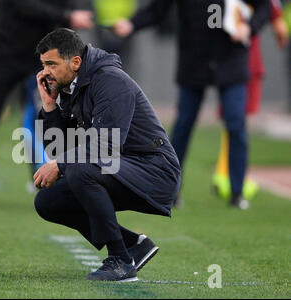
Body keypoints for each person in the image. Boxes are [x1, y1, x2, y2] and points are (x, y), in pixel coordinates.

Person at [33, 28, 181, 282]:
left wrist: (60, 163)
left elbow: (105, 147)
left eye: (51, 64)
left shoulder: (111, 81)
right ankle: (133, 245)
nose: (45, 72)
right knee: (48, 201)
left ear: (76, 62)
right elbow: (60, 149)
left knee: (80, 169)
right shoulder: (74, 86)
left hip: (155, 171)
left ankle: (121, 263)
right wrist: (49, 107)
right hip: (124, 166)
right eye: (43, 65)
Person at [113, 0, 271, 209]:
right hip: (194, 61)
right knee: (184, 125)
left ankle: (237, 192)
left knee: (236, 123)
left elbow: (264, 6)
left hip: (231, 59)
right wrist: (132, 24)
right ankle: (171, 190)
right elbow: (157, 10)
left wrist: (248, 27)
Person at [0, 1, 94, 205]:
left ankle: (53, 180)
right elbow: (24, 5)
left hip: (39, 57)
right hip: (5, 54)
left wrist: (80, 15)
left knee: (46, 115)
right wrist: (67, 16)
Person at [212, 0, 289, 201]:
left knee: (234, 119)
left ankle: (224, 173)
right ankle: (229, 176)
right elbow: (278, 24)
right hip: (243, 59)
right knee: (237, 119)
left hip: (227, 58)